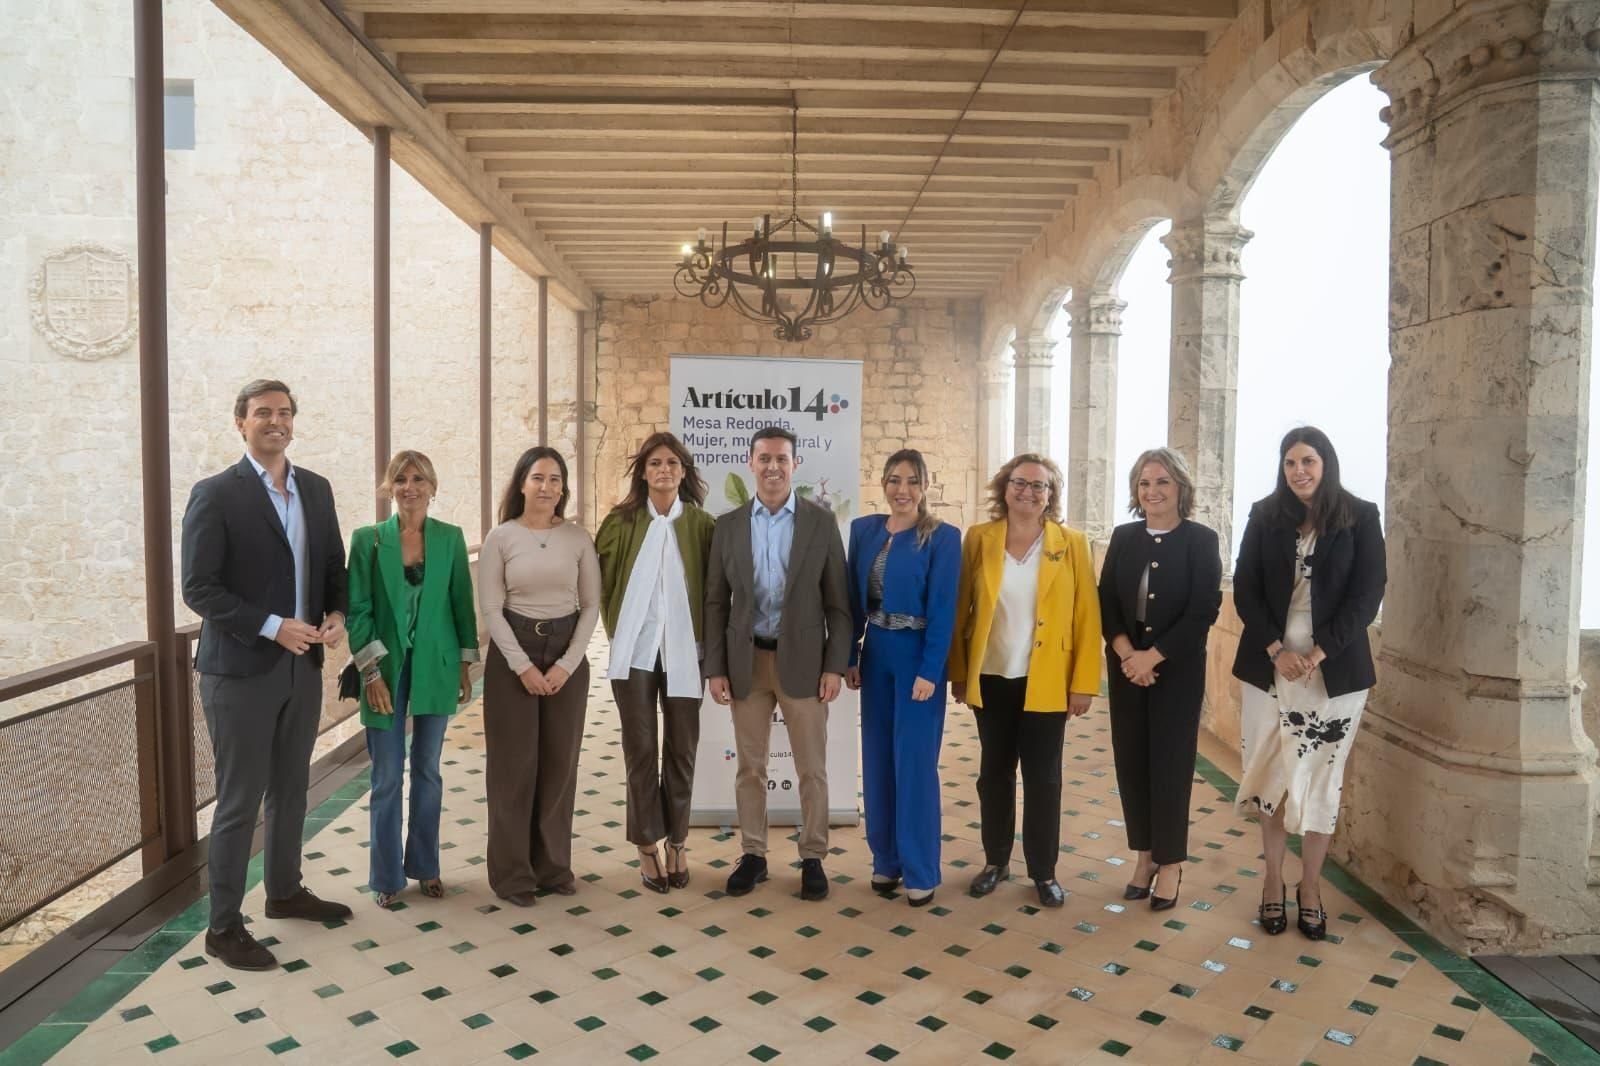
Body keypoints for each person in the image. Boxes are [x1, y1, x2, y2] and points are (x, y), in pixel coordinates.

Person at [180, 379, 351, 971]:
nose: (274, 421)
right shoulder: (215, 494)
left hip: (302, 667)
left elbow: (332, 562)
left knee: (291, 788)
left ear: (293, 422)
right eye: (262, 413)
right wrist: (272, 625)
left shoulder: (317, 490)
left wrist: (334, 612)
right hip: (240, 672)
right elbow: (198, 589)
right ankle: (223, 927)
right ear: (241, 423)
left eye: (283, 413)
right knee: (238, 801)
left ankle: (283, 892)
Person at [1233, 426, 1385, 941]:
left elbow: (1369, 595)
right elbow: (1246, 589)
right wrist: (1277, 650)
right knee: (1271, 778)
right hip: (1269, 672)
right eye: (1290, 462)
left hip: (1334, 677)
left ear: (1327, 464)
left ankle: (1312, 888)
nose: (1299, 471)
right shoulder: (1264, 515)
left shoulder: (1361, 517)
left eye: (1308, 461)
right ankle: (1273, 882)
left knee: (1323, 780)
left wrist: (1318, 654)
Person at [705, 426, 851, 901]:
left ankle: (813, 857)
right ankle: (753, 854)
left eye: (781, 459)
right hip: (747, 663)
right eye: (764, 458)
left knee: (812, 768)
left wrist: (834, 665)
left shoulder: (819, 523)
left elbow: (838, 604)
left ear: (795, 465)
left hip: (805, 664)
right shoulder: (727, 526)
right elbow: (715, 603)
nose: (772, 467)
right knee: (750, 767)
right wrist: (716, 667)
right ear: (750, 463)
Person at [949, 453, 1101, 908]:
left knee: (1043, 778)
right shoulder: (980, 539)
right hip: (992, 677)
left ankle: (1044, 871)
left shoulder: (1071, 543)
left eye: (1039, 486)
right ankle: (995, 860)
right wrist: (959, 674)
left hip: (1048, 680)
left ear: (1051, 496)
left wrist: (1083, 684)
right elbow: (961, 612)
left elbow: (1086, 618)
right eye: (1020, 483)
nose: (1028, 492)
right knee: (993, 774)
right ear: (1005, 487)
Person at [346, 450, 479, 909]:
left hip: (436, 669)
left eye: (419, 478)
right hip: (384, 671)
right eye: (400, 479)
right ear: (389, 488)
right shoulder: (369, 541)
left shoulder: (451, 538)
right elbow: (358, 611)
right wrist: (370, 673)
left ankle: (425, 866)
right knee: (386, 777)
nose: (410, 486)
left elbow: (462, 603)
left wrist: (465, 665)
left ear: (433, 487)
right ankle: (386, 876)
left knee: (427, 771)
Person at [1098, 448, 1221, 913]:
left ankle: (1170, 863)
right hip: (1127, 669)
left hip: (1177, 671)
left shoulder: (1201, 541)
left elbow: (1203, 610)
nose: (1153, 491)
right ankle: (1144, 856)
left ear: (1181, 489)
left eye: (1162, 482)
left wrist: (1154, 656)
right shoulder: (1124, 537)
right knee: (1131, 763)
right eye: (1145, 483)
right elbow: (1106, 599)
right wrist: (1129, 654)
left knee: (1170, 766)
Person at [479, 446, 600, 906]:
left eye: (555, 479)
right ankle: (512, 876)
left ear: (563, 488)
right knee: (513, 768)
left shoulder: (577, 538)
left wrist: (568, 663)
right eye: (537, 478)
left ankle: (552, 867)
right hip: (516, 651)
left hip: (567, 652)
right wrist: (523, 666)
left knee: (558, 764)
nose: (547, 487)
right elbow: (491, 608)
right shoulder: (501, 537)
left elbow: (591, 605)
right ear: (521, 484)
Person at [596, 432, 716, 893]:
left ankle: (678, 842)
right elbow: (599, 582)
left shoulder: (703, 526)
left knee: (683, 749)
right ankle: (647, 844)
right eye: (654, 463)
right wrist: (615, 631)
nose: (663, 470)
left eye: (672, 463)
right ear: (642, 472)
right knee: (640, 749)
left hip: (689, 652)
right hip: (635, 654)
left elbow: (715, 592)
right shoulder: (620, 522)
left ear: (683, 472)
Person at [844, 450, 960, 907]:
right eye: (894, 480)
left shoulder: (943, 538)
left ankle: (921, 868)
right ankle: (886, 860)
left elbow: (945, 608)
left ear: (925, 486)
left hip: (917, 658)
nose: (902, 490)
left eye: (912, 481)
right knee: (876, 760)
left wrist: (932, 670)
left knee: (913, 764)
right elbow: (852, 601)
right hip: (875, 653)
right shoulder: (864, 531)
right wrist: (851, 651)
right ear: (883, 483)